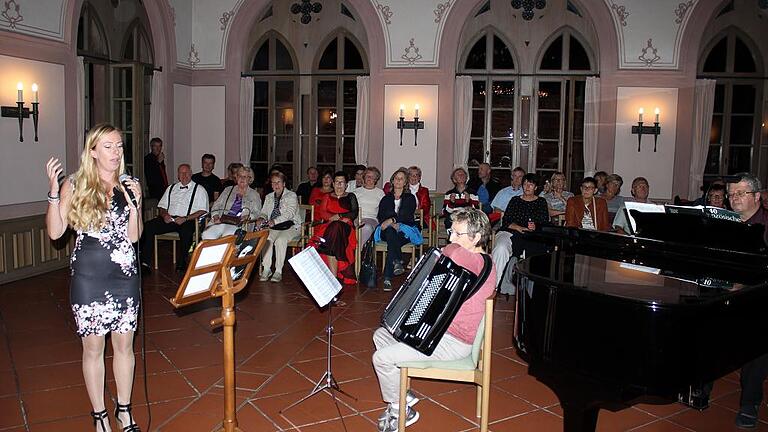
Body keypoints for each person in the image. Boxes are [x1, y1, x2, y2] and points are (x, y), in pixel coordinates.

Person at [45, 124, 143, 432]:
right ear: (92, 152)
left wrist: (135, 207)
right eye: (109, 147)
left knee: (125, 346)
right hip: (89, 277)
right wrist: (52, 190)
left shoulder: (130, 184)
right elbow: (56, 232)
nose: (116, 153)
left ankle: (123, 410)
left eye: (119, 146)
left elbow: (134, 237)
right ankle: (100, 414)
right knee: (93, 348)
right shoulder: (74, 184)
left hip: (124, 275)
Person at [372, 208, 497, 432]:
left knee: (381, 358)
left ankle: (401, 409)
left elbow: (453, 253)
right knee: (381, 334)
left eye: (458, 234)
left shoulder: (477, 261)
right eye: (452, 232)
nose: (451, 238)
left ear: (476, 237)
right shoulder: (475, 261)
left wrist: (444, 248)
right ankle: (402, 393)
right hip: (441, 333)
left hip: (454, 343)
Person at [731, 173, 768, 428]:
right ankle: (700, 385)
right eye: (732, 194)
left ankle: (750, 401)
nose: (734, 199)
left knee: (758, 341)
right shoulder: (724, 222)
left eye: (741, 193)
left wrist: (745, 283)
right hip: (728, 291)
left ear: (757, 196)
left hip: (761, 295)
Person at [139, 164, 209, 273]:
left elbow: (203, 210)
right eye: (181, 173)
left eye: (186, 173)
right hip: (170, 219)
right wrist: (165, 215)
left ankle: (182, 263)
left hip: (188, 220)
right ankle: (145, 263)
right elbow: (162, 206)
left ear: (191, 174)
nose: (184, 175)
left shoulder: (199, 190)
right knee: (148, 226)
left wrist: (186, 218)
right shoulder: (171, 188)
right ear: (178, 175)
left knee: (186, 232)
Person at [491, 173, 550, 290]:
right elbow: (506, 220)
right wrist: (518, 227)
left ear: (536, 187)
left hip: (533, 234)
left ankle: (532, 288)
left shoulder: (541, 202)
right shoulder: (515, 200)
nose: (527, 187)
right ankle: (495, 285)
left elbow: (544, 221)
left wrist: (535, 226)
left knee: (539, 249)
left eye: (531, 184)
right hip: (512, 230)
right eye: (525, 184)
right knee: (501, 247)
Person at [377, 168, 420, 291]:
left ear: (405, 182)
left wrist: (393, 221)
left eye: (401, 179)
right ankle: (397, 260)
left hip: (404, 230)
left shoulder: (410, 198)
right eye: (396, 178)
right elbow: (381, 215)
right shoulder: (386, 198)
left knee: (392, 242)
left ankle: (387, 278)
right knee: (390, 233)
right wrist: (390, 223)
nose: (398, 180)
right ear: (392, 181)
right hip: (387, 230)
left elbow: (406, 215)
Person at [312, 172, 359, 285]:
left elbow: (354, 213)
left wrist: (340, 217)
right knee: (334, 229)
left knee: (336, 227)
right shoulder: (327, 196)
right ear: (333, 184)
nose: (339, 184)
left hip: (345, 227)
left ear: (346, 185)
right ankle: (334, 276)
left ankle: (332, 276)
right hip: (329, 226)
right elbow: (323, 213)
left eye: (341, 182)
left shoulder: (350, 196)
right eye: (337, 182)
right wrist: (334, 219)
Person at [256, 172, 302, 283]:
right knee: (267, 239)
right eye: (274, 182)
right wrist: (261, 218)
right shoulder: (269, 197)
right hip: (274, 227)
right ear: (271, 185)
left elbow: (289, 214)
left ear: (284, 184)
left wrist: (274, 221)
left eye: (279, 182)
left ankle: (278, 271)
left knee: (280, 240)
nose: (276, 185)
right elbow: (264, 212)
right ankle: (267, 269)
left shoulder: (291, 195)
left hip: (290, 226)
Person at [202, 167, 262, 240]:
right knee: (206, 234)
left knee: (228, 236)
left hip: (240, 224)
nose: (242, 179)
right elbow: (216, 205)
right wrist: (216, 216)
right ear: (236, 177)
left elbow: (257, 213)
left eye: (245, 177)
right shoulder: (228, 190)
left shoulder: (254, 194)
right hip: (221, 220)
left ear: (250, 179)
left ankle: (226, 251)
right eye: (240, 176)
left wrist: (248, 217)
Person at [354, 167, 385, 244]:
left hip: (372, 219)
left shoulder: (380, 193)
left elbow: (383, 210)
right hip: (356, 219)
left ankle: (356, 251)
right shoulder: (356, 192)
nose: (369, 178)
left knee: (367, 228)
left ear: (376, 179)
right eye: (367, 176)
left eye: (372, 177)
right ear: (364, 177)